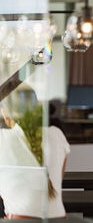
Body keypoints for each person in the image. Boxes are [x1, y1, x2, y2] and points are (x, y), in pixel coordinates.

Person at [0, 89, 70, 219]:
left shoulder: (2, 138)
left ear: (5, 113)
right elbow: (57, 178)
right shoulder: (57, 134)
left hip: (19, 221)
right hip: (59, 220)